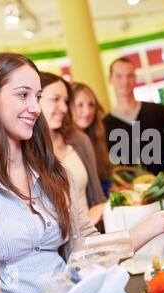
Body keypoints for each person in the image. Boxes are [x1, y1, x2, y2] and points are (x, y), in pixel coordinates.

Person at [0, 53, 164, 293]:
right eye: (23, 95)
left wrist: (158, 223)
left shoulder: (55, 172)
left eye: (38, 96)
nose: (35, 108)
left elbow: (89, 248)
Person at [38, 72, 105, 225]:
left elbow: (98, 198)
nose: (63, 108)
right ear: (34, 99)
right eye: (55, 99)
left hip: (91, 238)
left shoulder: (79, 140)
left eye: (66, 101)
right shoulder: (24, 153)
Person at [103, 57, 164, 176]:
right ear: (110, 79)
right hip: (129, 191)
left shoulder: (158, 110)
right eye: (119, 76)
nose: (125, 81)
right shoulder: (105, 125)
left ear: (135, 78)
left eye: (129, 75)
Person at [71, 82, 112, 197]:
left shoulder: (96, 137)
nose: (88, 111)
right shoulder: (66, 146)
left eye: (91, 105)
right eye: (80, 105)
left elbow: (104, 182)